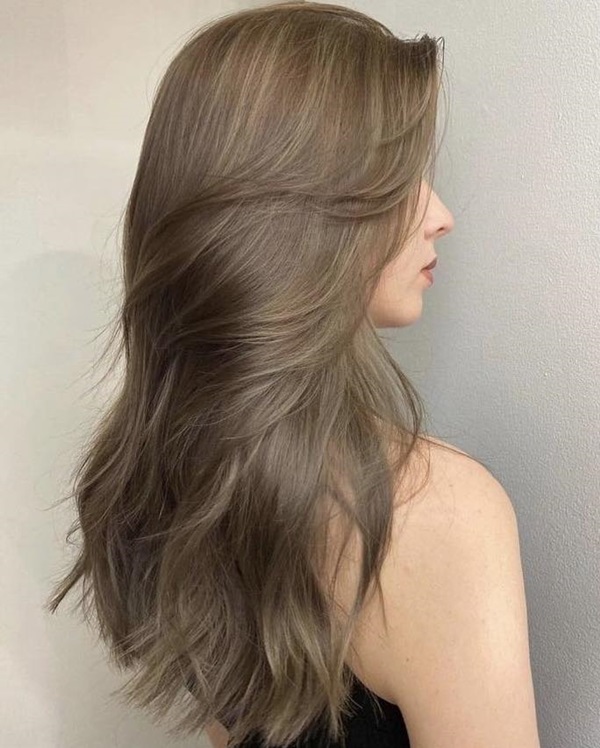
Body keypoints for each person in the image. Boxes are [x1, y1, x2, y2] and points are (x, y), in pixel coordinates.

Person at [46, 3, 541, 747]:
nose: (440, 214)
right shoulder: (437, 514)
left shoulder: (170, 473)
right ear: (298, 213)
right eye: (399, 179)